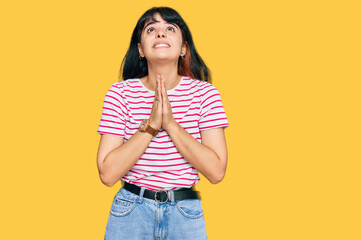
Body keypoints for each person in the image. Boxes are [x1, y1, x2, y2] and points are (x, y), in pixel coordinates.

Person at [96, 6, 229, 240]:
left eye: (169, 28)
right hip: (130, 213)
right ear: (140, 49)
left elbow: (217, 171)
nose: (160, 34)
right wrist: (150, 126)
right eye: (151, 29)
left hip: (184, 214)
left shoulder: (205, 94)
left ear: (183, 48)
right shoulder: (120, 93)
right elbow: (107, 174)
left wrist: (171, 125)